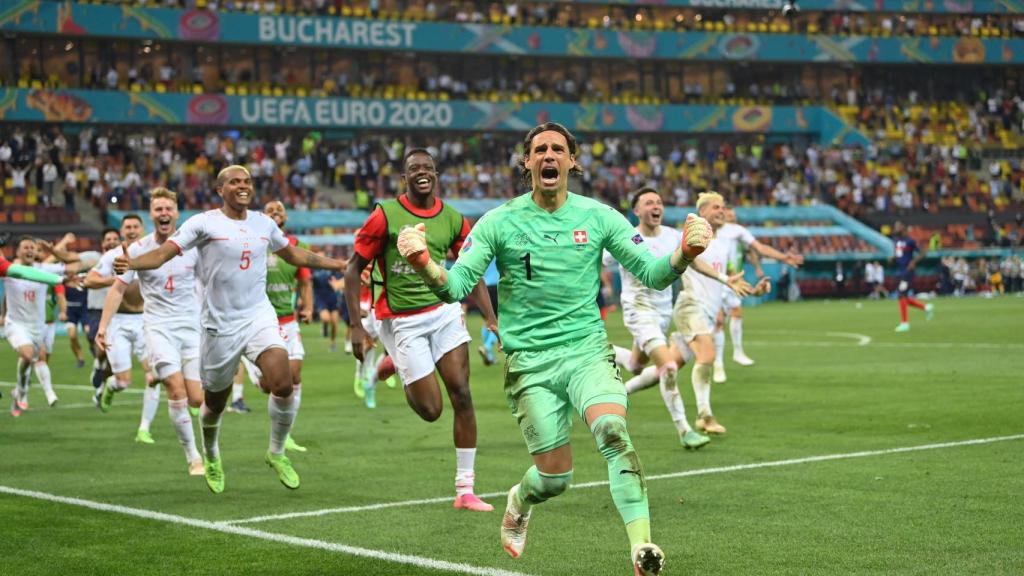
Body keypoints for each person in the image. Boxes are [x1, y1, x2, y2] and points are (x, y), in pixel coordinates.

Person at [394, 123, 713, 575]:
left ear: (571, 161)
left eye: (557, 150)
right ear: (527, 163)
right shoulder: (499, 221)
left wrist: (683, 252)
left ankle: (641, 548)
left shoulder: (599, 216)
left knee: (614, 435)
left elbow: (654, 272)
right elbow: (458, 286)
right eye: (539, 149)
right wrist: (425, 265)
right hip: (530, 364)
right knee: (555, 477)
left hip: (586, 353)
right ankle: (521, 498)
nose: (548, 156)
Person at [114, 165, 347, 494]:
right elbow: (164, 253)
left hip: (258, 315)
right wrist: (132, 263)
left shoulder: (263, 223)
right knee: (215, 403)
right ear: (220, 189)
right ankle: (210, 454)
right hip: (219, 325)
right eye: (235, 181)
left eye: (247, 181)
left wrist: (339, 264)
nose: (243, 186)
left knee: (283, 382)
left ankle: (276, 452)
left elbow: (293, 253)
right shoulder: (203, 223)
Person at [344, 147, 499, 512]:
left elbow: (470, 269)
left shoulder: (455, 219)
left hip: (445, 312)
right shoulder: (385, 215)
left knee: (462, 393)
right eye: (414, 168)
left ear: (436, 173)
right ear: (405, 177)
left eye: (428, 167)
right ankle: (397, 361)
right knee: (431, 410)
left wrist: (490, 317)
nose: (422, 172)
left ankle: (465, 489)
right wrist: (355, 326)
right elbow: (354, 269)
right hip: (402, 321)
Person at [606, 187, 752, 450]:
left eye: (659, 202)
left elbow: (694, 262)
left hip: (663, 313)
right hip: (638, 312)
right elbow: (597, 260)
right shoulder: (626, 237)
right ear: (636, 211)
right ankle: (685, 429)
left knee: (637, 365)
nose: (655, 206)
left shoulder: (673, 236)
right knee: (668, 367)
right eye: (649, 202)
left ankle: (599, 350)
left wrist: (724, 279)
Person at [96, 188, 205, 475]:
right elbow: (118, 288)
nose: (164, 213)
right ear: (152, 215)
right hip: (157, 327)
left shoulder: (193, 247)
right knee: (175, 389)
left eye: (168, 208)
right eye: (158, 209)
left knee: (197, 398)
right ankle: (194, 457)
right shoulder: (137, 250)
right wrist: (103, 326)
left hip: (192, 327)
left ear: (177, 212)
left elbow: (210, 283)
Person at [236, 200, 312, 453]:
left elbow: (305, 282)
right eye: (270, 210)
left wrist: (308, 307)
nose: (275, 213)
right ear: (262, 217)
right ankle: (251, 366)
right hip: (261, 321)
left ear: (286, 217)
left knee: (295, 375)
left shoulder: (296, 247)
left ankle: (286, 433)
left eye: (279, 210)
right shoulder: (254, 243)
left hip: (288, 321)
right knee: (270, 385)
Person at [86, 214, 162, 445]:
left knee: (154, 376)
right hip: (118, 321)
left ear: (142, 228)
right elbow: (90, 280)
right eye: (127, 226)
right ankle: (109, 387)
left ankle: (144, 428)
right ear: (121, 230)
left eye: (135, 226)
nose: (131, 230)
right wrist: (118, 280)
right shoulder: (113, 256)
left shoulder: (154, 252)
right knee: (124, 381)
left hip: (146, 321)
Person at [711, 207, 800, 383]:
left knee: (736, 313)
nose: (730, 217)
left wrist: (782, 258)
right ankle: (718, 364)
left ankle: (738, 352)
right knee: (719, 321)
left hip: (733, 277)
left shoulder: (737, 231)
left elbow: (757, 248)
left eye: (733, 215)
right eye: (727, 214)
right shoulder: (706, 231)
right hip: (713, 278)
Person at [2, 237, 69, 415]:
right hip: (16, 323)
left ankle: (19, 391)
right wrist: (3, 315)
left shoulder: (43, 269)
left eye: (33, 247)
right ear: (17, 252)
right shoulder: (9, 269)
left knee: (30, 359)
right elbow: (6, 298)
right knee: (29, 354)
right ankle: (25, 393)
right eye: (25, 247)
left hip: (38, 326)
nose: (30, 250)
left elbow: (72, 265)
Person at [891, 221, 934, 332]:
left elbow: (923, 253)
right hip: (900, 271)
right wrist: (893, 258)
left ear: (903, 228)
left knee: (901, 295)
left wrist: (913, 262)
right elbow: (898, 255)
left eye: (898, 226)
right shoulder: (895, 241)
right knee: (903, 297)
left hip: (907, 272)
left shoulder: (910, 241)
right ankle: (926, 308)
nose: (895, 228)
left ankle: (905, 323)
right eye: (895, 226)